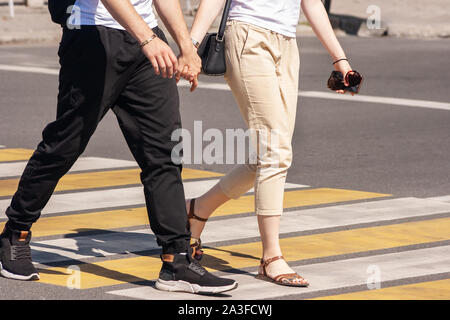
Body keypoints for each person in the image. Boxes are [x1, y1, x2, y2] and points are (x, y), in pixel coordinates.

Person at [0, 0, 237, 295]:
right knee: (64, 145)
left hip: (145, 41)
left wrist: (185, 46)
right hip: (93, 37)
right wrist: (148, 39)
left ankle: (176, 260)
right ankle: (16, 232)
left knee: (164, 153)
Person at [187, 0, 358, 287]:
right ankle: (270, 258)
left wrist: (339, 58)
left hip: (287, 44)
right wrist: (190, 46)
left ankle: (195, 210)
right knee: (275, 152)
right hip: (248, 37)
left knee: (266, 157)